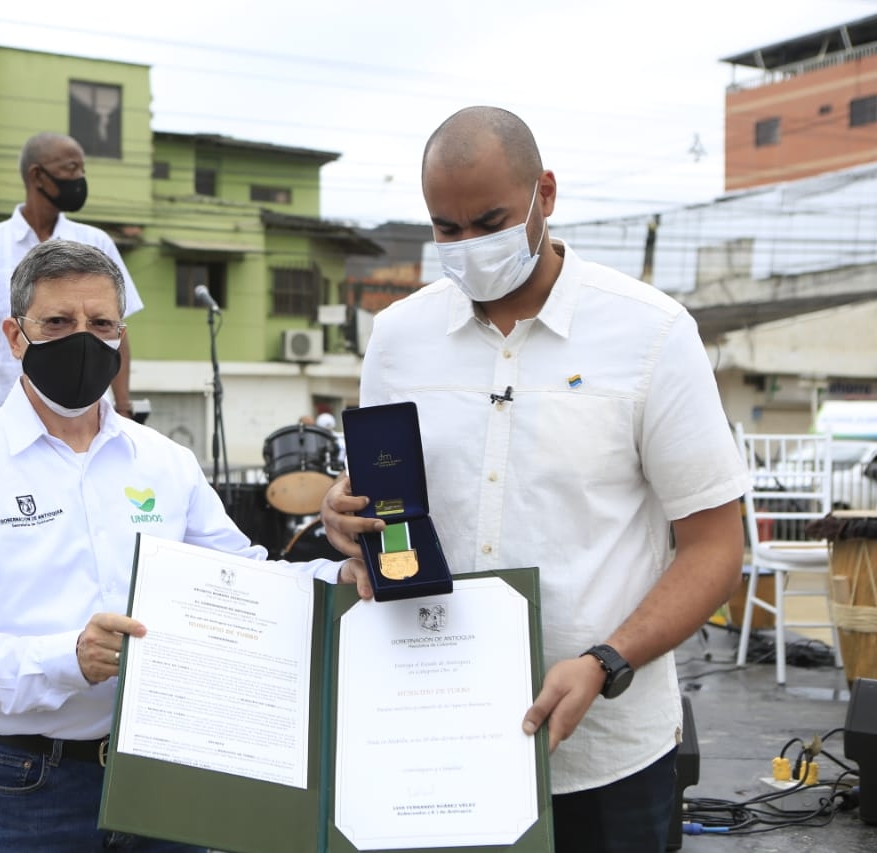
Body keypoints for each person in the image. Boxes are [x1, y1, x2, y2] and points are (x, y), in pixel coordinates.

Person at [320, 107, 748, 853]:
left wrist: (606, 661)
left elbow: (715, 546)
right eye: (446, 229)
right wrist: (345, 517)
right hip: (434, 739)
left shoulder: (651, 334)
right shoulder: (398, 338)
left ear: (544, 194)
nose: (468, 245)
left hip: (605, 754)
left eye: (489, 221)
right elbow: (386, 505)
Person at [0, 240, 370, 852]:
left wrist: (335, 580)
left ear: (120, 337)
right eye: (58, 322)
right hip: (29, 785)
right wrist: (70, 657)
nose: (83, 339)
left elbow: (244, 579)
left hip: (166, 771)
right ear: (15, 336)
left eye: (101, 324)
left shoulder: (165, 463)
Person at [0, 132, 144, 418]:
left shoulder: (97, 242)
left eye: (82, 169)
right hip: (6, 410)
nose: (80, 178)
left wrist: (124, 406)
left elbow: (115, 330)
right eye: (71, 168)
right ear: (37, 175)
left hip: (85, 415)